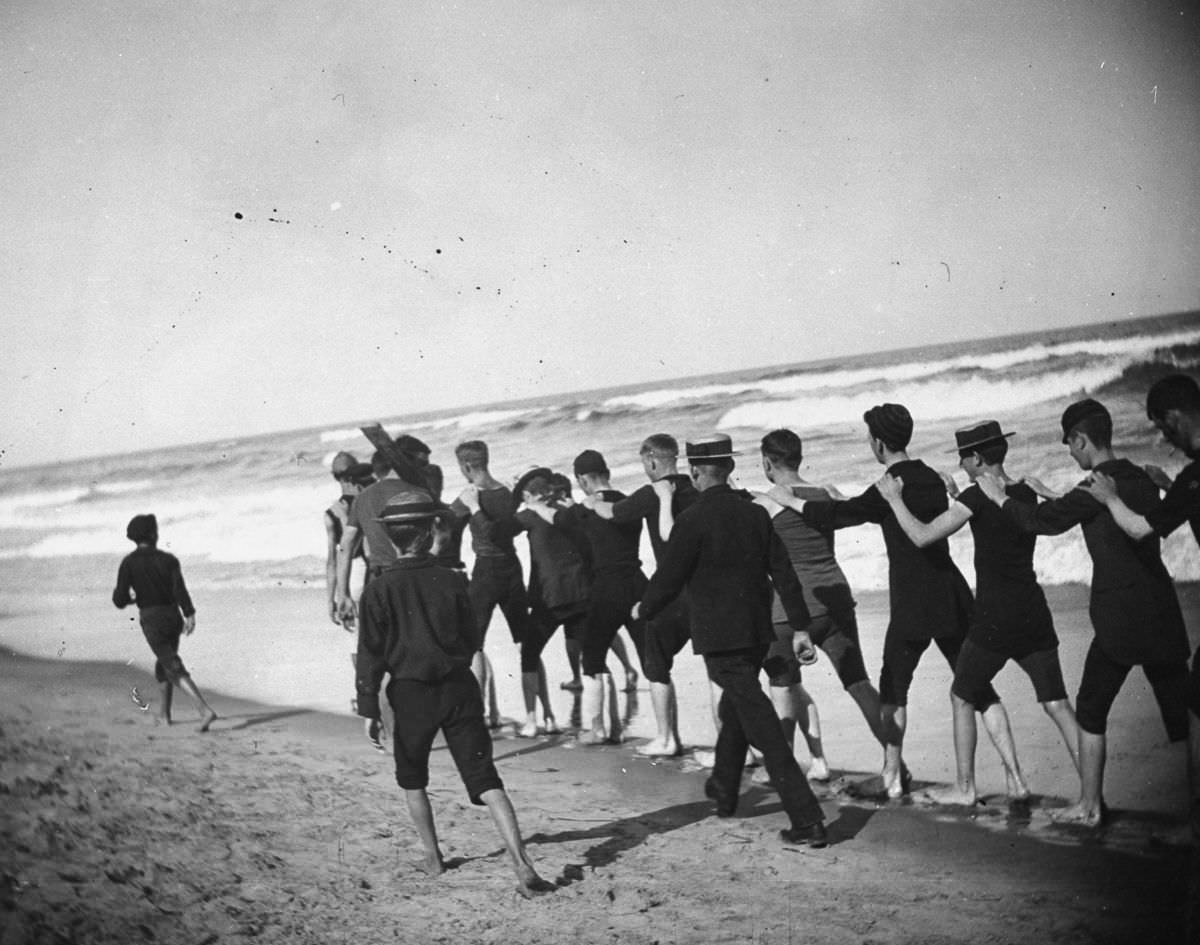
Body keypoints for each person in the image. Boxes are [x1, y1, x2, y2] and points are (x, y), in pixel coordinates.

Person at [770, 403, 1004, 799]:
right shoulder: (932, 476)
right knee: (978, 688)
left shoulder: (887, 486)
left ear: (878, 442)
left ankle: (891, 776)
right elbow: (862, 508)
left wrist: (790, 501)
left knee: (894, 686)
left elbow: (841, 515)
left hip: (913, 601)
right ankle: (1016, 779)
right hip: (951, 593)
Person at [978, 398, 1190, 826]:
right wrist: (1054, 496)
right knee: (1183, 717)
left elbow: (1043, 523)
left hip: (1119, 620)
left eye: (1070, 446)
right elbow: (1099, 514)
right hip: (1162, 612)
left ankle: (1090, 806)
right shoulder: (1139, 478)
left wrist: (999, 497)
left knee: (1092, 708)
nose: (1071, 454)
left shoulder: (1096, 483)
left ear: (1081, 439)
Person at [353, 489, 553, 898]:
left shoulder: (377, 590)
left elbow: (369, 654)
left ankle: (433, 857)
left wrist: (370, 705)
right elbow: (469, 639)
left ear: (390, 539)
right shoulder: (454, 581)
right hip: (459, 687)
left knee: (413, 779)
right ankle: (521, 862)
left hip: (410, 693)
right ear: (431, 533)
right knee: (484, 777)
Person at [876, 420, 1081, 806]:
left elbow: (922, 536)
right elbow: (1002, 521)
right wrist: (958, 495)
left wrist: (894, 501)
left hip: (995, 617)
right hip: (1035, 611)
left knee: (962, 696)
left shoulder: (975, 498)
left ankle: (965, 788)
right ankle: (1089, 795)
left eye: (963, 458)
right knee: (1056, 702)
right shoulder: (1024, 490)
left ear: (975, 458)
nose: (961, 465)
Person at [641, 434, 828, 847]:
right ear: (729, 469)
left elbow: (669, 576)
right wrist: (799, 625)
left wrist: (646, 608)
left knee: (759, 723)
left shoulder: (691, 519)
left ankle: (807, 818)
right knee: (737, 702)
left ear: (694, 471)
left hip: (719, 638)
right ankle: (724, 790)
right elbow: (784, 573)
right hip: (756, 631)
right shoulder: (755, 514)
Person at [754, 428, 888, 781]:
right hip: (835, 597)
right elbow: (852, 511)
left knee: (783, 685)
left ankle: (780, 769)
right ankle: (895, 764)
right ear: (799, 458)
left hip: (788, 609)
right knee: (859, 683)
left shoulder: (766, 504)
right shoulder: (826, 493)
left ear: (767, 463)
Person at [587, 433, 698, 757]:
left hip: (674, 591)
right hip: (706, 589)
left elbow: (615, 513)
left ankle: (667, 737)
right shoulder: (694, 487)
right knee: (718, 670)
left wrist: (593, 502)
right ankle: (741, 749)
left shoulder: (652, 493)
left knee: (656, 661)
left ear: (651, 461)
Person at [526, 450, 647, 745]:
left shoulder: (584, 510)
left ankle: (598, 729)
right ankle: (669, 735)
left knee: (592, 658)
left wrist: (533, 504)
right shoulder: (628, 503)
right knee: (653, 662)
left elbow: (556, 517)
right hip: (637, 584)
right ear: (606, 471)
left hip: (605, 588)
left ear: (581, 479)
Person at [452, 441, 556, 737]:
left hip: (485, 571)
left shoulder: (468, 497)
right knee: (527, 643)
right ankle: (545, 714)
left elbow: (445, 527)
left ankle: (480, 713)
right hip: (512, 569)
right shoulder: (508, 493)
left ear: (467, 467)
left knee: (475, 644)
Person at [112, 514, 218, 732]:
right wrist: (189, 614)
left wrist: (133, 598)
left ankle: (204, 710)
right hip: (173, 617)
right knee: (165, 663)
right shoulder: (169, 560)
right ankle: (165, 715)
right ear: (153, 535)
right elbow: (180, 589)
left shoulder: (129, 563)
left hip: (151, 619)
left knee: (171, 664)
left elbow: (119, 600)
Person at [325, 451, 375, 626]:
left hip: (349, 577)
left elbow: (332, 560)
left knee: (356, 641)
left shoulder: (333, 512)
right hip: (370, 572)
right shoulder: (371, 500)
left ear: (335, 477)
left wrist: (332, 598)